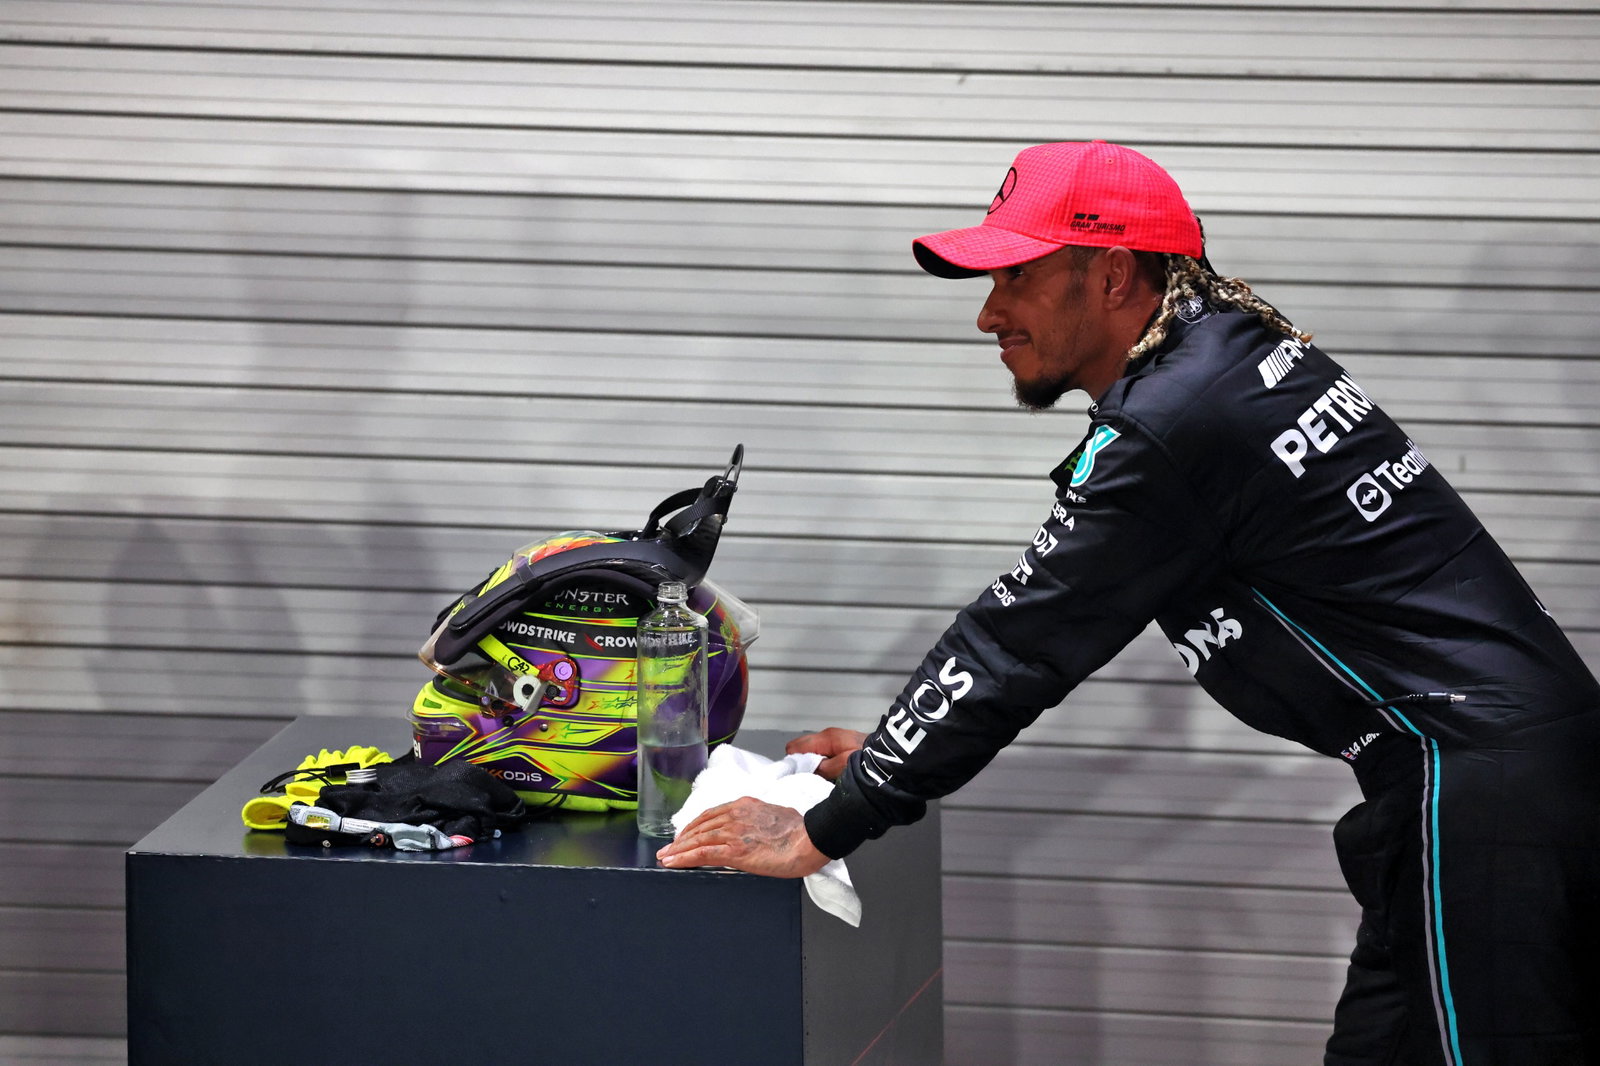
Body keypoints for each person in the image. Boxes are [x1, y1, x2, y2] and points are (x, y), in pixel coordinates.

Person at [656, 140, 1600, 1064]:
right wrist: (897, 750)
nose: (989, 316)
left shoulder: (1175, 422)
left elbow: (1016, 643)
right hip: (1476, 775)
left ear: (1111, 277)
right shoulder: (1232, 353)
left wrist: (829, 822)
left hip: (1478, 793)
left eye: (1017, 278)